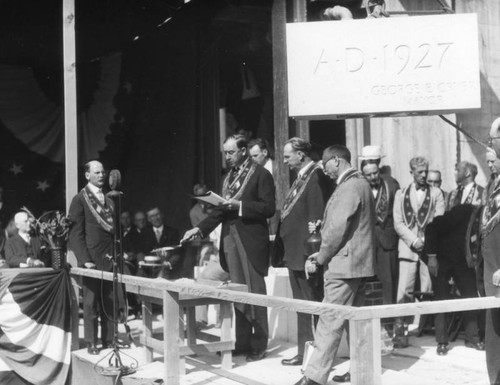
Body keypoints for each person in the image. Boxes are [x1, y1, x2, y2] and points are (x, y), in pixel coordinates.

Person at [181, 134, 275, 362]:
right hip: (229, 239)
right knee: (237, 292)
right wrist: (200, 229)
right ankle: (242, 343)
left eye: (231, 152)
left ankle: (259, 345)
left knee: (254, 292)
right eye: (225, 152)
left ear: (243, 150)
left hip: (250, 241)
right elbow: (220, 212)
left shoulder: (261, 174)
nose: (228, 156)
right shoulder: (228, 178)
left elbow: (269, 208)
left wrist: (240, 205)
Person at [294, 144, 375, 385]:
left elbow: (337, 229)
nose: (325, 171)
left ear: (337, 161)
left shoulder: (348, 187)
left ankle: (314, 378)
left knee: (329, 321)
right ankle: (362, 372)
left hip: (342, 267)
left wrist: (319, 258)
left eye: (326, 165)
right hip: (360, 264)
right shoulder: (362, 184)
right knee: (356, 324)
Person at [276, 137, 331, 367]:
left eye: (288, 156)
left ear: (301, 154)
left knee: (311, 305)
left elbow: (315, 219)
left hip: (305, 255)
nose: (285, 160)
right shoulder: (301, 177)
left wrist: (313, 256)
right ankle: (303, 352)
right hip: (294, 253)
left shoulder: (315, 177)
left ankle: (315, 357)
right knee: (301, 306)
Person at [393, 157, 445, 348]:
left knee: (428, 289)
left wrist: (426, 241)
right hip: (408, 248)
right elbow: (398, 223)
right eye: (420, 172)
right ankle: (400, 333)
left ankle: (424, 328)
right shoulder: (401, 194)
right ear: (412, 173)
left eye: (426, 171)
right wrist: (414, 240)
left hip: (429, 249)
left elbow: (439, 220)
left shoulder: (437, 193)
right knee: (404, 292)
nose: (424, 175)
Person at [425, 203, 484, 356]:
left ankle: (472, 338)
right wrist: (432, 257)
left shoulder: (489, 219)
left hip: (464, 262)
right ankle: (442, 342)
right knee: (441, 300)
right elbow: (432, 228)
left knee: (470, 297)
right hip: (442, 259)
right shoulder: (464, 211)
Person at [68, 160, 114, 355]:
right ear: (87, 175)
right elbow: (75, 234)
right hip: (91, 259)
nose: (101, 175)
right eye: (96, 172)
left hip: (110, 256)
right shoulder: (80, 199)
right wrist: (85, 259)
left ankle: (110, 339)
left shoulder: (110, 199)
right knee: (91, 302)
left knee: (110, 300)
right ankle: (91, 341)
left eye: (103, 172)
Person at [359, 146, 400, 307]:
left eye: (375, 173)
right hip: (366, 240)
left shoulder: (391, 183)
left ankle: (389, 323)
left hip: (387, 241)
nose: (373, 177)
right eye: (369, 175)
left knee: (389, 282)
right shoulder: (359, 186)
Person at [483, 129, 500, 385]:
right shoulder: (492, 185)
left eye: (493, 160)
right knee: (494, 330)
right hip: (489, 269)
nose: (489, 165)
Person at [139, 206, 181, 279]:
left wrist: (169, 263)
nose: (156, 218)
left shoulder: (173, 232)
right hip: (148, 270)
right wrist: (141, 261)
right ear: (149, 219)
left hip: (166, 270)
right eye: (152, 216)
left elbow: (177, 253)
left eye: (157, 214)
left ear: (162, 215)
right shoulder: (144, 232)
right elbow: (140, 251)